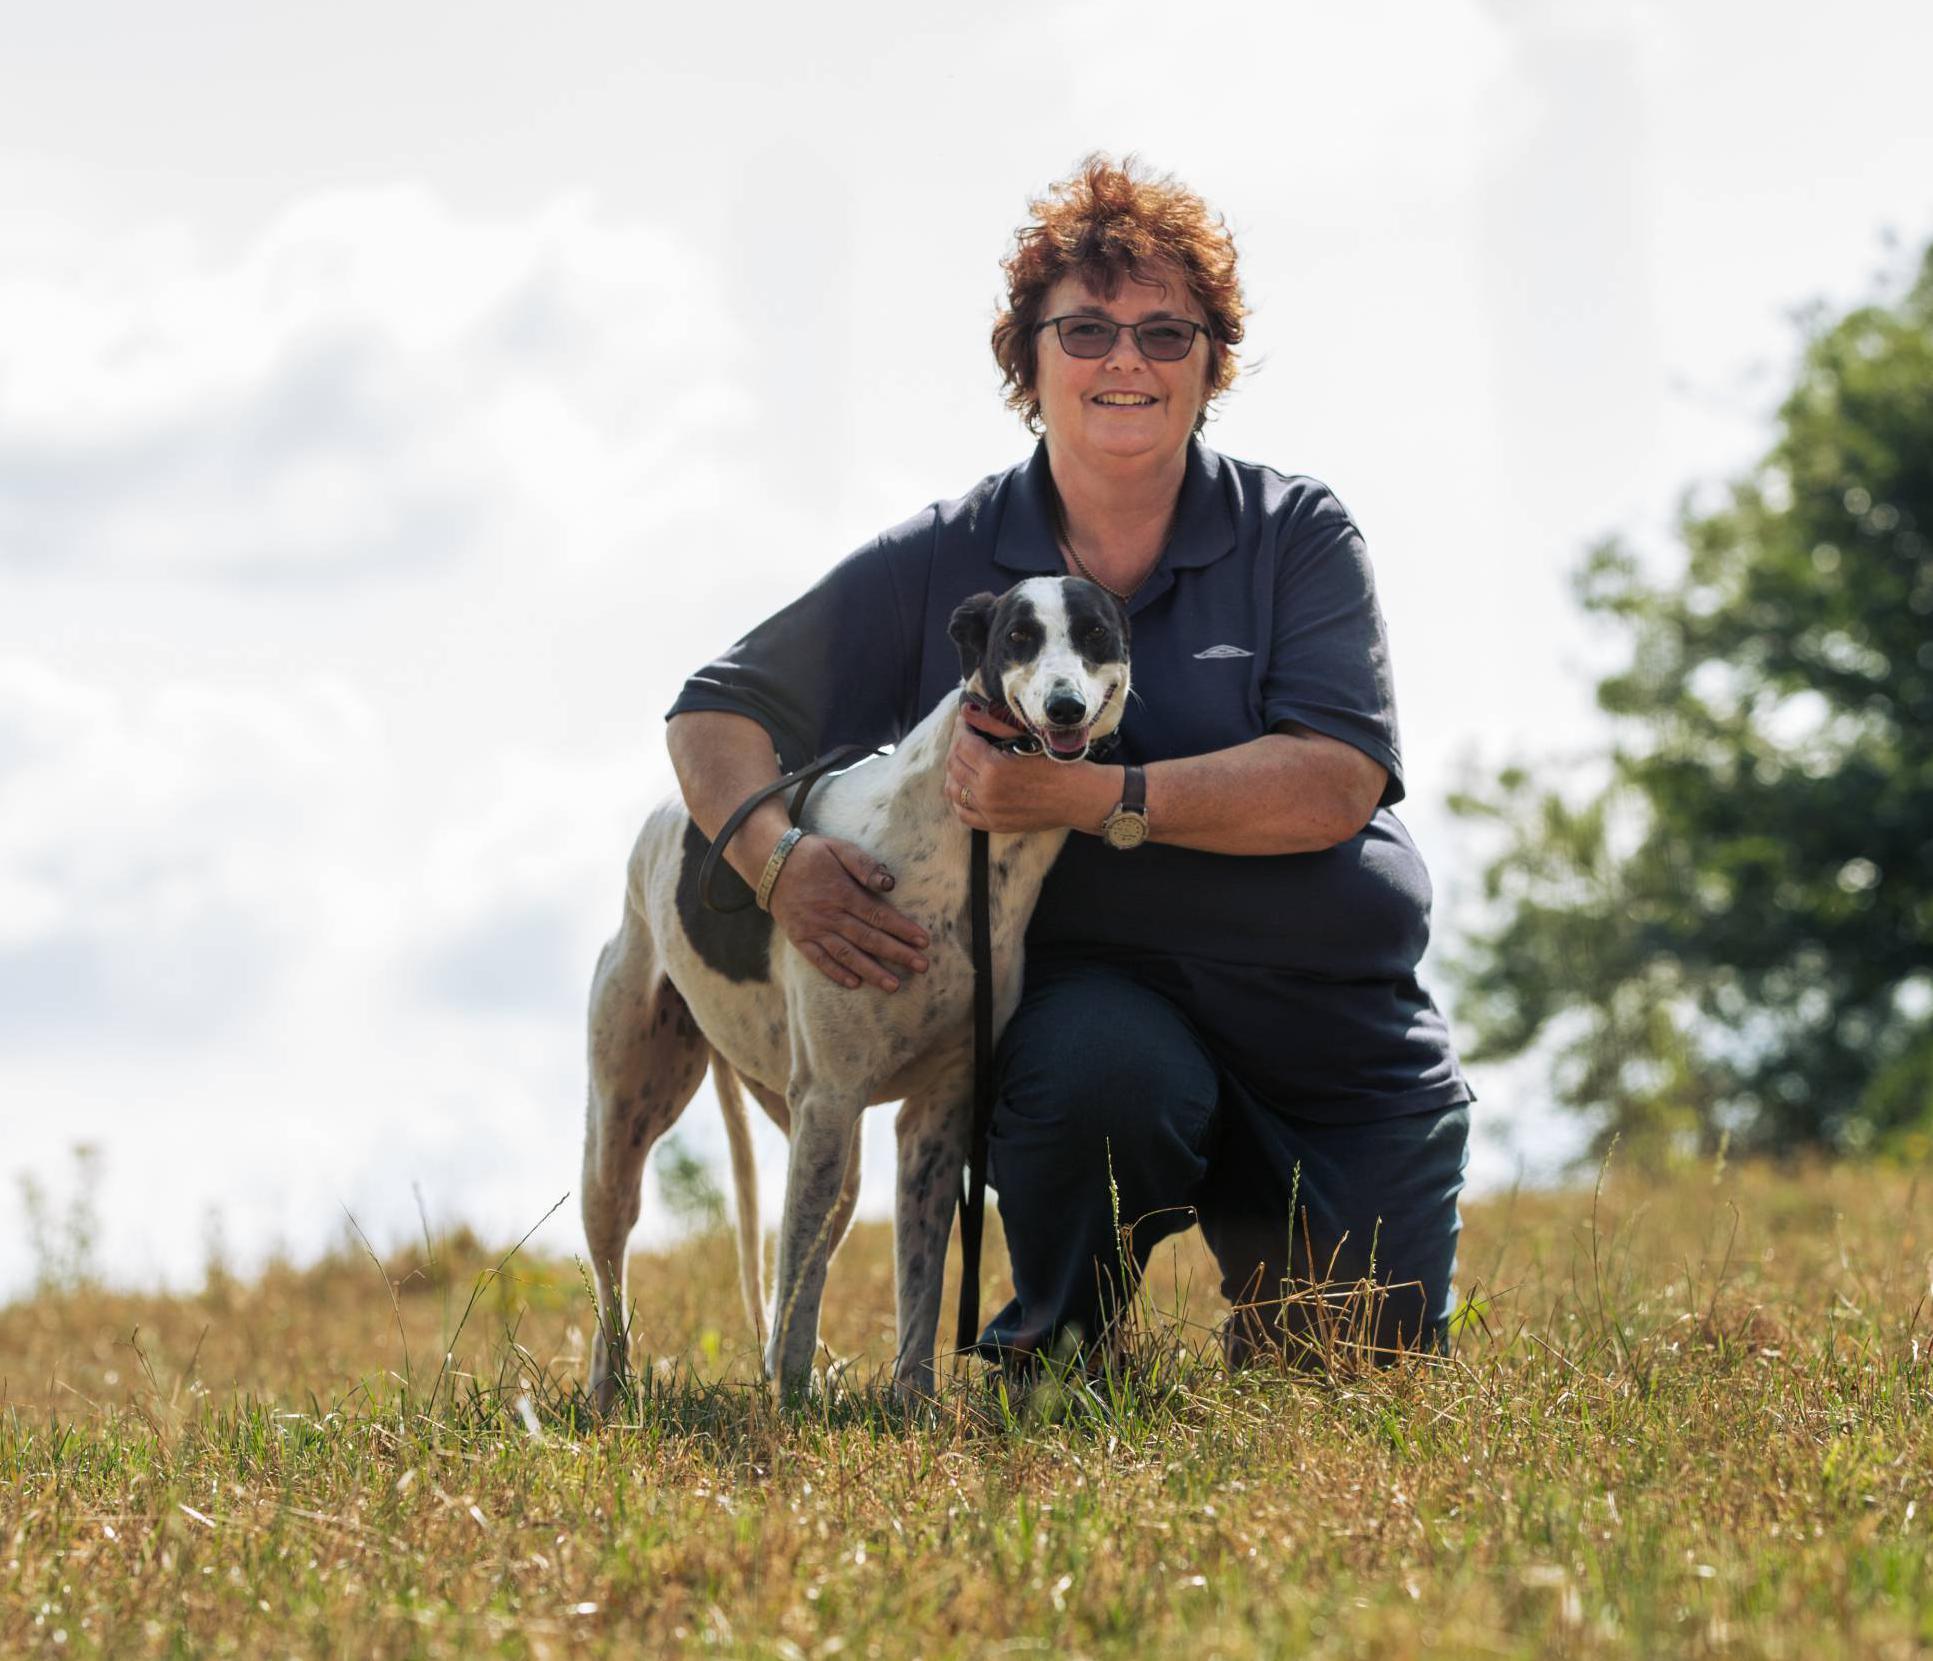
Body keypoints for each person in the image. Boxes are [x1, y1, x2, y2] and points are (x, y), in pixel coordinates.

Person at [666, 154, 1472, 1370]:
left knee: (1364, 1369)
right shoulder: (939, 557)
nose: (1124, 359)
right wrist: (781, 867)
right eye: (1085, 328)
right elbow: (715, 711)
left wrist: (1090, 797)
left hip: (1330, 1030)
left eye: (1165, 331)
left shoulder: (1297, 533)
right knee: (1093, 1077)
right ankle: (1062, 1350)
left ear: (1210, 362)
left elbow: (1334, 781)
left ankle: (1286, 1308)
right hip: (1100, 1026)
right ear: (1026, 361)